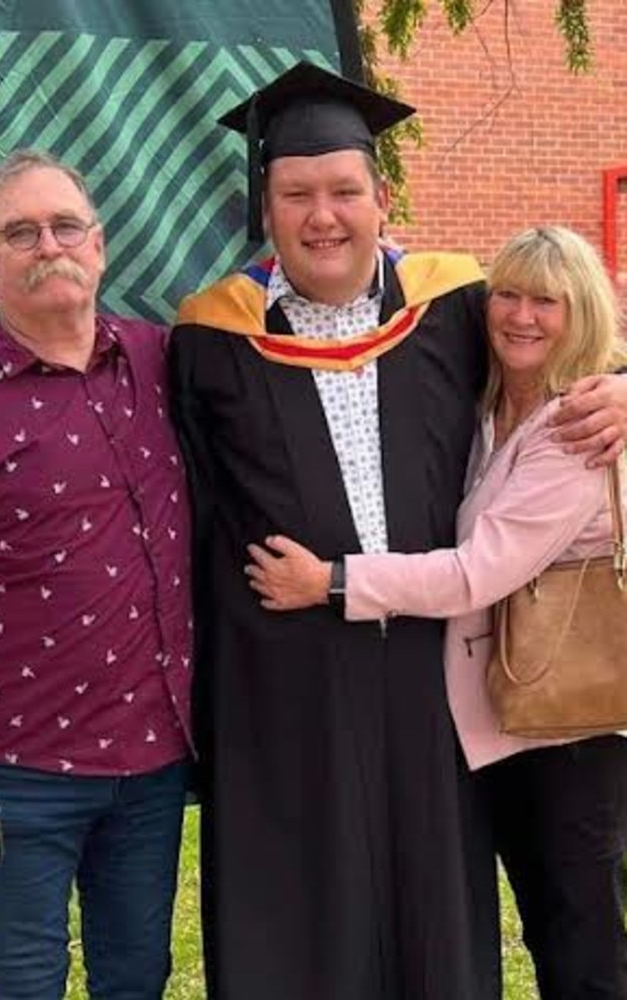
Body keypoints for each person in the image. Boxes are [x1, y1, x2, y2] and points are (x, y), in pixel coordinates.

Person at [169, 62, 627, 1000]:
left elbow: (566, 341)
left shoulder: (454, 305)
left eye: (344, 190)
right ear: (267, 208)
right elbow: (199, 512)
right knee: (307, 908)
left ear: (384, 197)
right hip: (288, 680)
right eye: (297, 194)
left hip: (436, 672)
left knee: (440, 903)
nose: (323, 215)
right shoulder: (211, 340)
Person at [246, 225, 627, 1000]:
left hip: (574, 736)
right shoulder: (492, 402)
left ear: (581, 312)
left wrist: (332, 582)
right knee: (550, 925)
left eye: (546, 302)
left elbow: (475, 572)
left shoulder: (575, 431)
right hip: (513, 722)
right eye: (508, 295)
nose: (521, 315)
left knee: (583, 944)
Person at [0, 149, 194, 1000]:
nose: (48, 245)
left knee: (136, 976)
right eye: (20, 232)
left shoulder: (162, 359)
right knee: (18, 982)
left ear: (100, 246)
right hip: (8, 772)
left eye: (65, 225)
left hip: (150, 766)